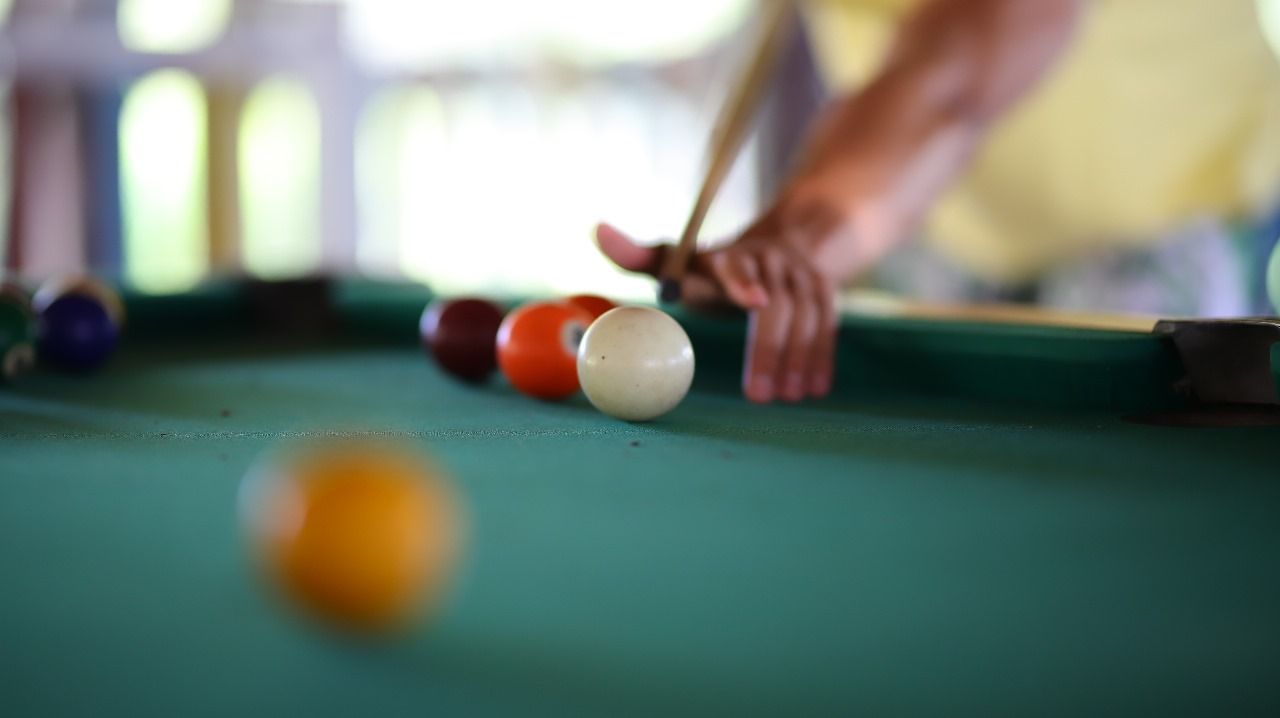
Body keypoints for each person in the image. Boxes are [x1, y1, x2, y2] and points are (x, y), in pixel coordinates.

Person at [594, 0, 1280, 404]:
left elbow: (956, 69)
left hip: (1176, 205)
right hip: (938, 225)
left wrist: (807, 235)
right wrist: (774, 264)